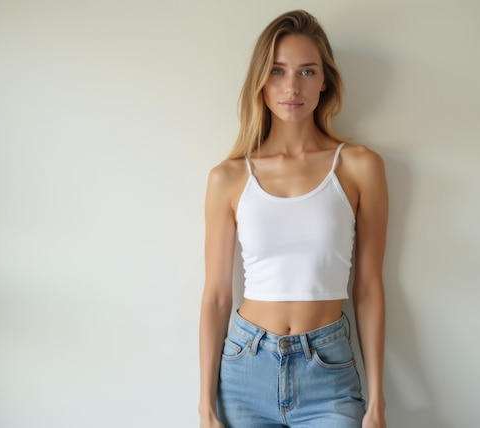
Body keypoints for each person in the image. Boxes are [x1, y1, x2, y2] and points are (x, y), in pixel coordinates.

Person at [199, 9, 388, 428]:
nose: (291, 86)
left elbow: (369, 288)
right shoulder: (228, 177)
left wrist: (377, 403)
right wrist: (205, 405)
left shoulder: (359, 167)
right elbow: (215, 296)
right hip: (245, 368)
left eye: (306, 71)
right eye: (278, 71)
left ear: (325, 82)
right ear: (260, 82)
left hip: (329, 371)